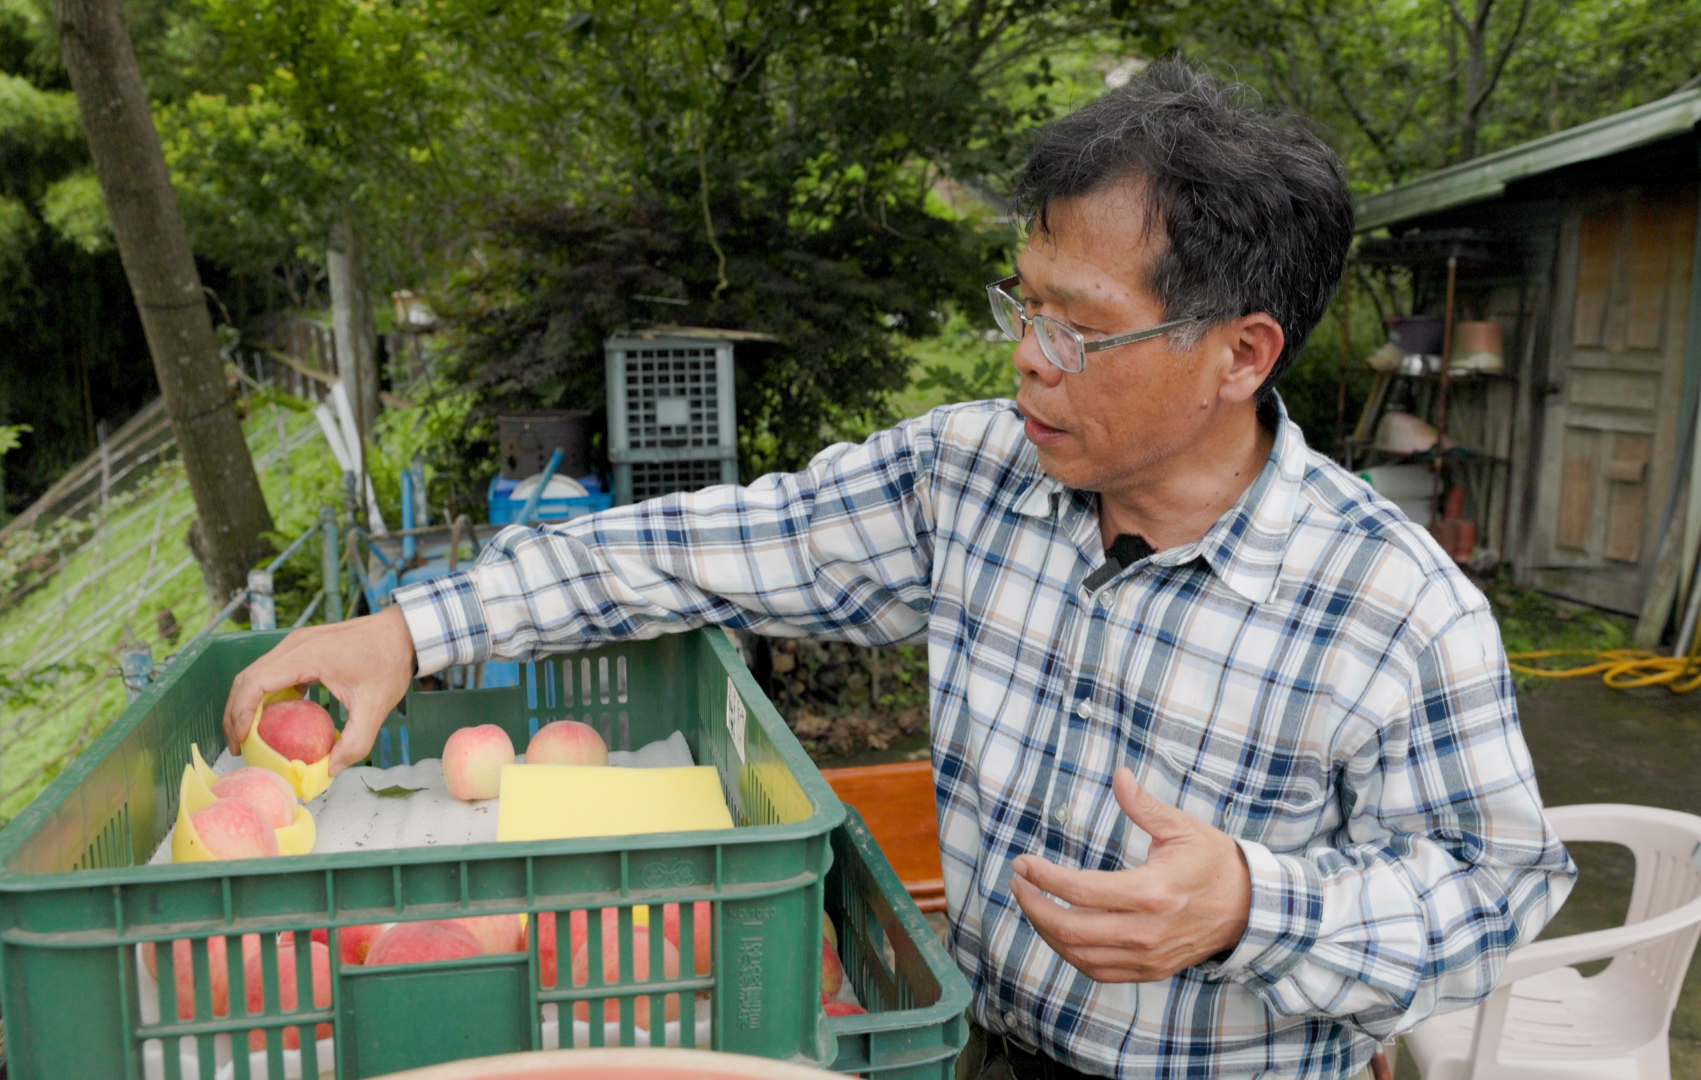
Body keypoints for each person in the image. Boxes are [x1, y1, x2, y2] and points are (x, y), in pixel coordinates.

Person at [226, 60, 1573, 1080]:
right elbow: (701, 546)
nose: (1030, 361)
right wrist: (411, 629)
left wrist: (1249, 906)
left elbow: (1492, 897)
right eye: (1023, 305)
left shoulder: (1392, 609)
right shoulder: (970, 477)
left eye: (1082, 331)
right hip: (977, 1046)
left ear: (1240, 354)